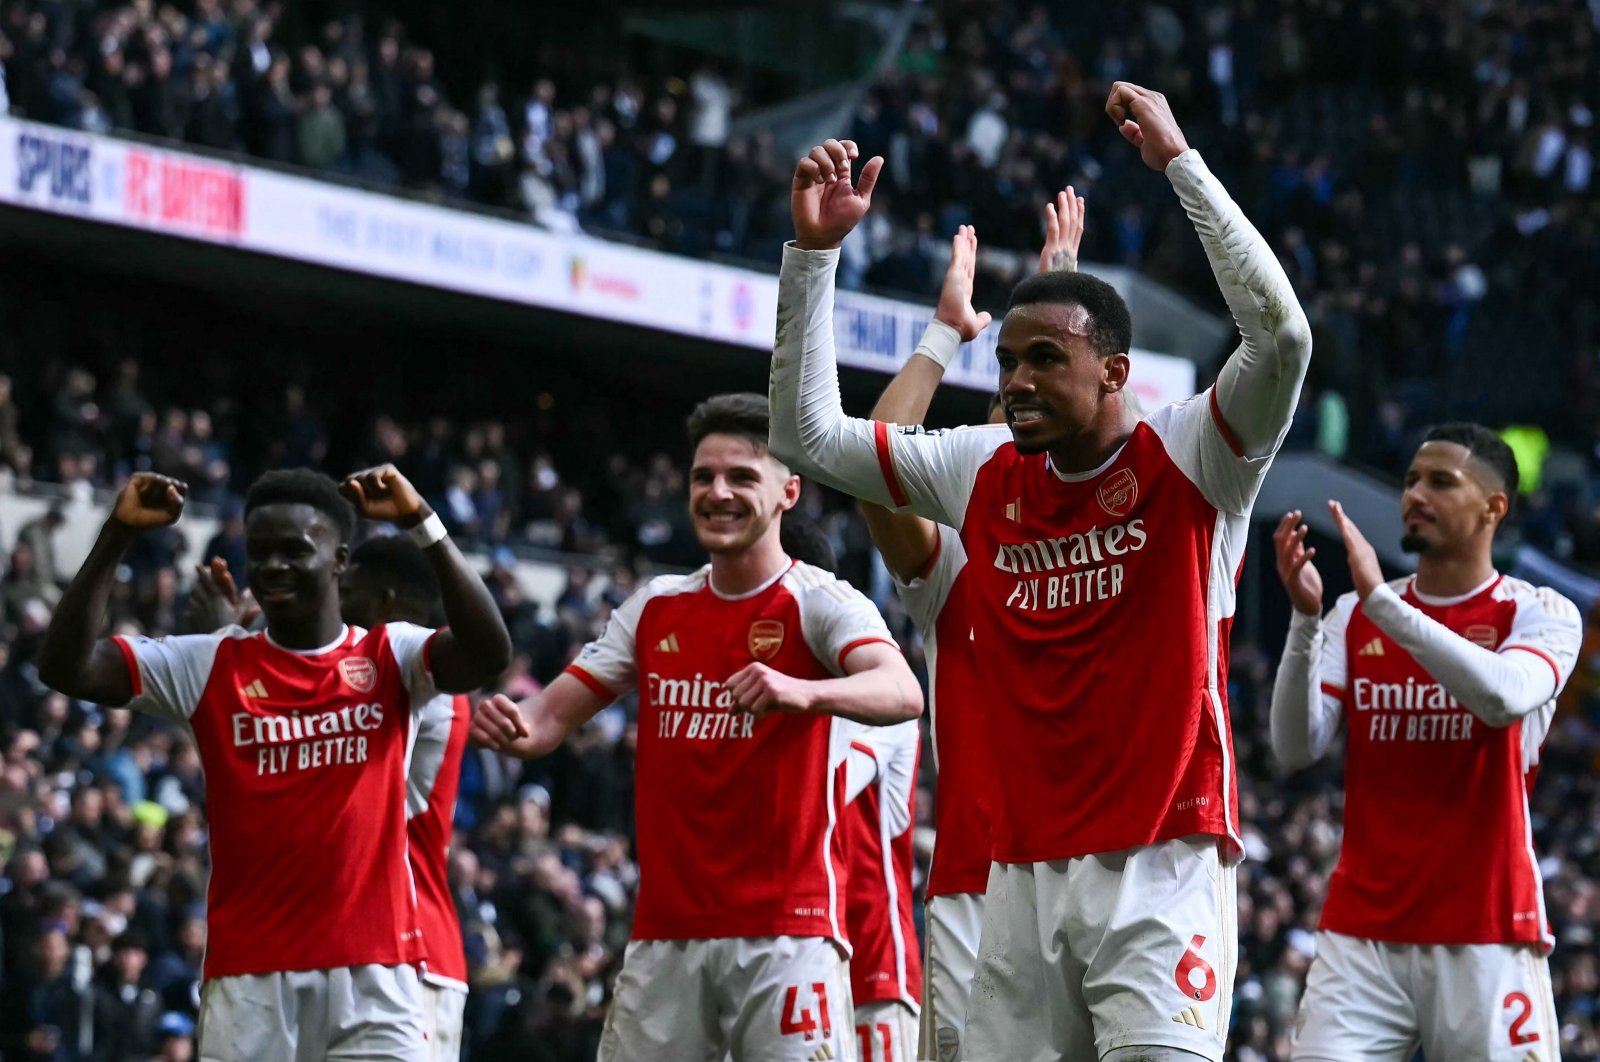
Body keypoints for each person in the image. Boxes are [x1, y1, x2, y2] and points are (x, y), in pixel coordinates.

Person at [768, 80, 1312, 1061]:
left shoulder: (1193, 455)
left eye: (1042, 360)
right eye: (1006, 361)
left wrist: (1180, 165)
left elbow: (1281, 336)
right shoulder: (982, 472)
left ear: (1114, 371)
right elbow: (809, 438)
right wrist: (812, 256)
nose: (1014, 378)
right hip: (1011, 878)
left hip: (1163, 857)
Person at [472, 393, 923, 1062]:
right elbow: (546, 720)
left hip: (787, 936)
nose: (718, 492)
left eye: (742, 476)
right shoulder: (655, 607)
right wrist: (512, 724)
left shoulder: (822, 602)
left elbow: (902, 690)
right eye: (703, 476)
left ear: (787, 492)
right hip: (663, 938)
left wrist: (802, 690)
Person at [37, 465, 512, 1061]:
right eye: (259, 553)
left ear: (340, 559)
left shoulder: (392, 655)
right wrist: (117, 534)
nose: (272, 567)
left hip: (376, 976)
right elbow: (65, 667)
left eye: (294, 550)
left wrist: (423, 521)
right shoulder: (207, 663)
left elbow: (490, 650)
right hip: (250, 981)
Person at [1269, 423, 1582, 1061]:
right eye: (1412, 479)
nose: (1415, 493)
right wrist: (1305, 622)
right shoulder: (1353, 616)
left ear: (1494, 507)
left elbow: (1500, 696)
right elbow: (1296, 748)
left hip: (1487, 930)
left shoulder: (1539, 612)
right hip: (1361, 936)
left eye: (1441, 482)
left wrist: (1386, 605)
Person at [856, 195, 1084, 1061]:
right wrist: (944, 336)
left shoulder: (1114, 536)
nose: (1014, 424)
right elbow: (876, 460)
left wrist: (1063, 297)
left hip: (1104, 870)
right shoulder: (952, 566)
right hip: (977, 885)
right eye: (999, 419)